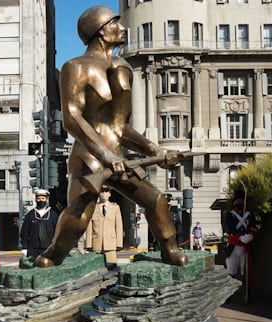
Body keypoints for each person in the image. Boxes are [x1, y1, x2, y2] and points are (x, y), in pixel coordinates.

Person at [34, 5, 186, 268]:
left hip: (119, 158)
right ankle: (54, 253)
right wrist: (104, 155)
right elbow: (72, 118)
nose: (123, 28)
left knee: (156, 201)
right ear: (101, 32)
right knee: (80, 215)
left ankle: (169, 250)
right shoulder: (75, 67)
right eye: (116, 23)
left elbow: (119, 127)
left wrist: (154, 151)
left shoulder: (121, 67)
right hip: (90, 156)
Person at [225, 190, 255, 289]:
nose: (239, 203)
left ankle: (247, 294)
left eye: (241, 201)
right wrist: (239, 237)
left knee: (246, 272)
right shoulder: (230, 215)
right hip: (234, 246)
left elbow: (252, 227)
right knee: (231, 271)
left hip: (246, 246)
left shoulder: (249, 215)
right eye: (237, 201)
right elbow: (229, 229)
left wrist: (250, 235)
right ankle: (228, 295)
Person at [85, 185, 123, 265]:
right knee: (96, 269)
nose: (104, 194)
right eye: (102, 191)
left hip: (111, 244)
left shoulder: (115, 208)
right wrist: (88, 244)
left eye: (106, 192)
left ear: (110, 194)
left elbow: (119, 227)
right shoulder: (93, 208)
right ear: (99, 193)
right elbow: (89, 227)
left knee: (112, 268)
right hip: (97, 245)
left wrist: (119, 243)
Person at [20, 189, 59, 260]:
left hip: (49, 248)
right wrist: (24, 247)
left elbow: (57, 232)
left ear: (46, 200)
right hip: (33, 248)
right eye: (38, 198)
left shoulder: (53, 215)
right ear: (35, 200)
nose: (41, 200)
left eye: (43, 198)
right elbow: (24, 232)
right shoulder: (30, 215)